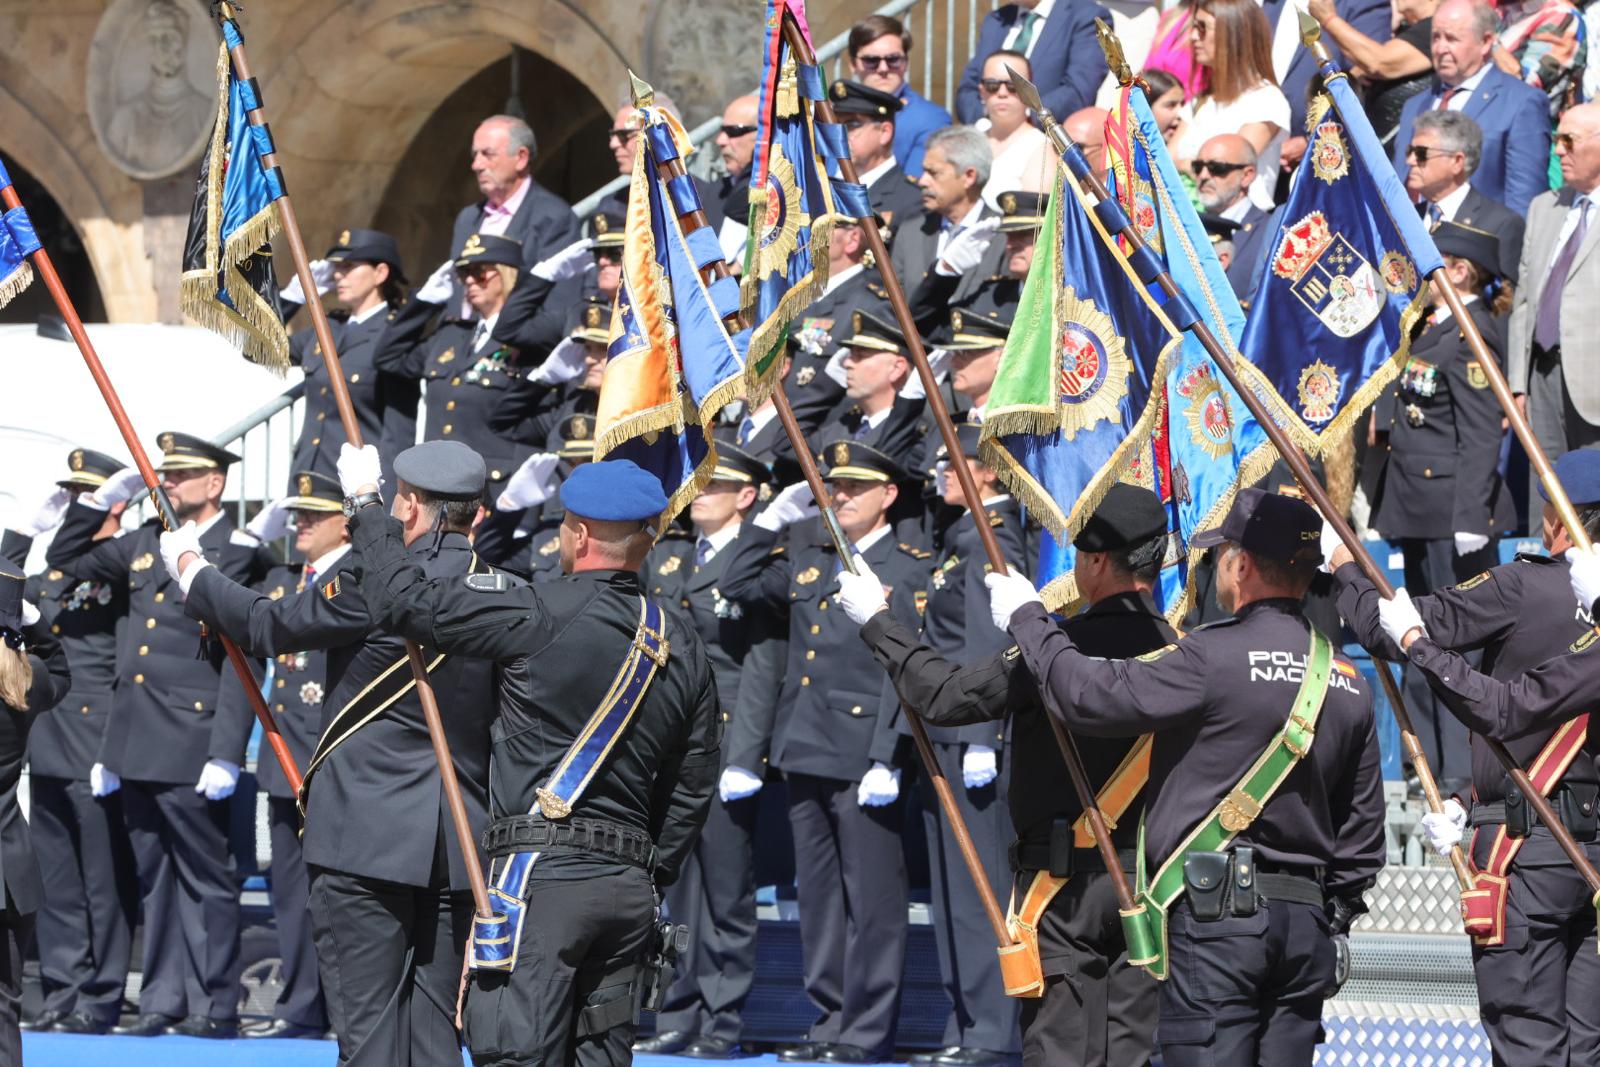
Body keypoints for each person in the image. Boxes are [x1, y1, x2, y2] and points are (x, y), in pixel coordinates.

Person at [986, 488, 1386, 1066]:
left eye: (1221, 553)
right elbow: (1362, 830)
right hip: (1306, 925)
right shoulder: (1348, 678)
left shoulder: (1211, 656)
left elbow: (1088, 697)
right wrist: (1336, 915)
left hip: (1218, 918)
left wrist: (1029, 620)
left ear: (1241, 566)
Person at [342, 454, 720, 1065]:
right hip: (630, 886)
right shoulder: (682, 642)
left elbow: (401, 604)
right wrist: (653, 870)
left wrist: (366, 506)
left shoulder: (537, 609)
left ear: (580, 535)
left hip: (541, 881)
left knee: (515, 1053)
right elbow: (692, 783)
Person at [168, 439, 502, 1066]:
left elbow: (267, 625)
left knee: (369, 1033)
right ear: (476, 513)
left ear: (409, 507)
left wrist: (192, 570)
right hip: (459, 841)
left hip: (363, 839)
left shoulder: (372, 583)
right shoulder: (506, 589)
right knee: (435, 1037)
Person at [844, 484, 1172, 1066]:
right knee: (1132, 1055)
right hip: (1150, 887)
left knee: (1059, 1050)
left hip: (1061, 890)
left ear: (1097, 561)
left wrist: (877, 621)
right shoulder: (1186, 652)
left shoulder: (1057, 648)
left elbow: (944, 696)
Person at [1333, 447, 1600, 1066]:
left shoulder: (1525, 586)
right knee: (1586, 1051)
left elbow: (1391, 629)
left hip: (1528, 849)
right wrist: (1467, 799)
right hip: (1588, 854)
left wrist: (1345, 567)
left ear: (1559, 522)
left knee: (1529, 1044)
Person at [45, 434, 274, 1039]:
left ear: (214, 483)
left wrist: (226, 751)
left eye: (179, 475)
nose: (167, 484)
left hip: (193, 740)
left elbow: (240, 660)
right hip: (136, 739)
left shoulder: (236, 551)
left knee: (206, 880)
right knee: (155, 880)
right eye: (163, 475)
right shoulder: (147, 542)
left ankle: (213, 1003)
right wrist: (99, 502)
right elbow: (67, 557)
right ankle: (162, 999)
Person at [720, 443, 931, 1065]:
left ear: (888, 495)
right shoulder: (811, 556)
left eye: (855, 488)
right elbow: (737, 584)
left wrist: (888, 755)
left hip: (862, 753)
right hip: (804, 743)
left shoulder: (906, 568)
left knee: (874, 902)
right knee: (818, 899)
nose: (841, 497)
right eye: (835, 487)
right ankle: (829, 1019)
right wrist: (767, 523)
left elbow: (905, 669)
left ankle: (867, 1031)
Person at [837, 424, 1027, 1067]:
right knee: (952, 894)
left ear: (990, 471)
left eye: (958, 461)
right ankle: (965, 1022)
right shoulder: (962, 535)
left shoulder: (994, 536)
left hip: (970, 737)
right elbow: (930, 647)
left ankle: (992, 1030)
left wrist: (980, 740)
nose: (944, 470)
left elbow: (986, 645)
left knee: (982, 892)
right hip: (941, 734)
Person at [634, 446, 783, 1059]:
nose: (699, 494)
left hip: (724, 743)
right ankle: (679, 1008)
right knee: (677, 888)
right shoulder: (671, 556)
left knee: (725, 891)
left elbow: (763, 666)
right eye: (698, 484)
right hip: (671, 745)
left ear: (746, 497)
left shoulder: (761, 562)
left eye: (716, 486)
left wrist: (746, 756)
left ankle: (723, 1019)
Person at [1366, 221, 1516, 787]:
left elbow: (1480, 433)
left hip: (1451, 513)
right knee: (1418, 631)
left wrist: (1473, 516)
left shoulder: (1472, 334)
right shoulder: (1431, 325)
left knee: (1456, 645)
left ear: (1458, 271)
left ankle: (1458, 774)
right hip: (1417, 505)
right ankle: (1423, 762)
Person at [208, 473, 349, 1040]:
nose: (300, 524)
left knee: (340, 896)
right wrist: (247, 537)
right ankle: (301, 1005)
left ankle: (345, 1010)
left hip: (333, 763)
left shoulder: (357, 577)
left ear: (347, 522)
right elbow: (226, 608)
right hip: (283, 761)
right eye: (296, 515)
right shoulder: (284, 579)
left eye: (314, 514)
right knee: (290, 891)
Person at [3, 451, 136, 1036]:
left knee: (103, 879)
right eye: (73, 498)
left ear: (114, 505)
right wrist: (24, 537)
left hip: (97, 740)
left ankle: (102, 994)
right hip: (49, 741)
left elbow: (129, 662)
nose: (77, 508)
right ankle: (61, 985)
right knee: (54, 875)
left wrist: (116, 745)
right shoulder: (53, 574)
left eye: (89, 498)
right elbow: (11, 603)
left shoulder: (123, 565)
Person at [374, 233, 545, 498]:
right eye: (464, 273)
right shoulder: (451, 335)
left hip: (492, 488)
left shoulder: (530, 339)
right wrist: (423, 304)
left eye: (479, 273)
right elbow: (388, 358)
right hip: (436, 485)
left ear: (507, 275)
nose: (469, 281)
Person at [278, 228, 420, 489]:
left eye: (349, 267)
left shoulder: (394, 337)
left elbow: (397, 434)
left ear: (380, 273)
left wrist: (388, 499)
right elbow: (258, 350)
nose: (338, 275)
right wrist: (290, 299)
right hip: (308, 476)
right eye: (337, 267)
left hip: (358, 486)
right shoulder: (329, 327)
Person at [0, 562, 72, 1065]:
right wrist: (35, 623)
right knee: (5, 1007)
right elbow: (62, 669)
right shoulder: (28, 682)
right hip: (10, 875)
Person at [1390, 0, 1551, 214]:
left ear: (1485, 42)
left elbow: (1524, 202)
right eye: (1436, 37)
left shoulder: (1520, 103)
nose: (1440, 48)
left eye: (1452, 39)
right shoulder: (1415, 104)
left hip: (1479, 232)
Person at [1510, 102, 1600, 470]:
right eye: (1556, 140)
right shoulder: (1543, 208)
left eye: (1569, 140)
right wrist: (1518, 383)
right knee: (1546, 493)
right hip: (1542, 378)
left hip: (1594, 385)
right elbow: (1523, 301)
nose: (1558, 151)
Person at [447, 114, 581, 309]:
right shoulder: (468, 218)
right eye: (475, 155)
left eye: (487, 154)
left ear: (521, 157)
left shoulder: (553, 217)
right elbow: (455, 293)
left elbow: (558, 304)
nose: (476, 165)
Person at [1173, 0, 1291, 211]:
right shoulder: (1201, 100)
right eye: (1194, 27)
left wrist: (1184, 164)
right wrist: (1189, 164)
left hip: (1236, 226)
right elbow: (1164, 160)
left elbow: (1225, 167)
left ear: (1233, 34)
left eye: (1202, 28)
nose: (1193, 37)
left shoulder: (1267, 100)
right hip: (1188, 218)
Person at [892, 126, 1002, 316]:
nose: (922, 181)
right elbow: (892, 307)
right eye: (924, 172)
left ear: (969, 176)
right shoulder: (912, 231)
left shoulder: (1003, 236)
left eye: (933, 173)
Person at [1404, 111, 1525, 281]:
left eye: (1421, 153)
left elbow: (1505, 293)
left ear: (1457, 161)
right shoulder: (1406, 218)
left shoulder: (1501, 224)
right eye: (1409, 151)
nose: (1410, 160)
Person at [806, 309, 930, 472]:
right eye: (851, 354)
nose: (846, 363)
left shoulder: (917, 433)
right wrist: (826, 386)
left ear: (897, 368)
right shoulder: (845, 426)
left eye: (860, 355)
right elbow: (785, 445)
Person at [956, 0, 1111, 125]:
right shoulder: (996, 20)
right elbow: (968, 88)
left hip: (1047, 143)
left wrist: (1021, 118)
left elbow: (1078, 90)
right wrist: (985, 121)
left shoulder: (1086, 16)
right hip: (990, 140)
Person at [1309, 0, 1437, 148]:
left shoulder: (1436, 30)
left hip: (1405, 150)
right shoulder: (1405, 31)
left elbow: (1381, 62)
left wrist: (1328, 19)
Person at [847, 15, 952, 177]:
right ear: (853, 64)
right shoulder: (835, 115)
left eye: (893, 59)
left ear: (906, 63)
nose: (883, 68)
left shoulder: (930, 119)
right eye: (871, 60)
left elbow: (915, 189)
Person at [830, 80, 925, 234]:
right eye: (836, 125)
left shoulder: (911, 199)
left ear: (885, 132)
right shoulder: (826, 189)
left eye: (851, 125)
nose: (839, 134)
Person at [1189, 133, 1273, 298]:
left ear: (1247, 175)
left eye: (1217, 168)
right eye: (1198, 167)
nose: (1203, 176)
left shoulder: (1269, 232)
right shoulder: (1184, 227)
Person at [974, 51, 1051, 210]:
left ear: (1029, 92)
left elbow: (1033, 218)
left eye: (1013, 86)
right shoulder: (970, 138)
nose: (1002, 93)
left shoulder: (1043, 148)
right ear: (982, 91)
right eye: (992, 85)